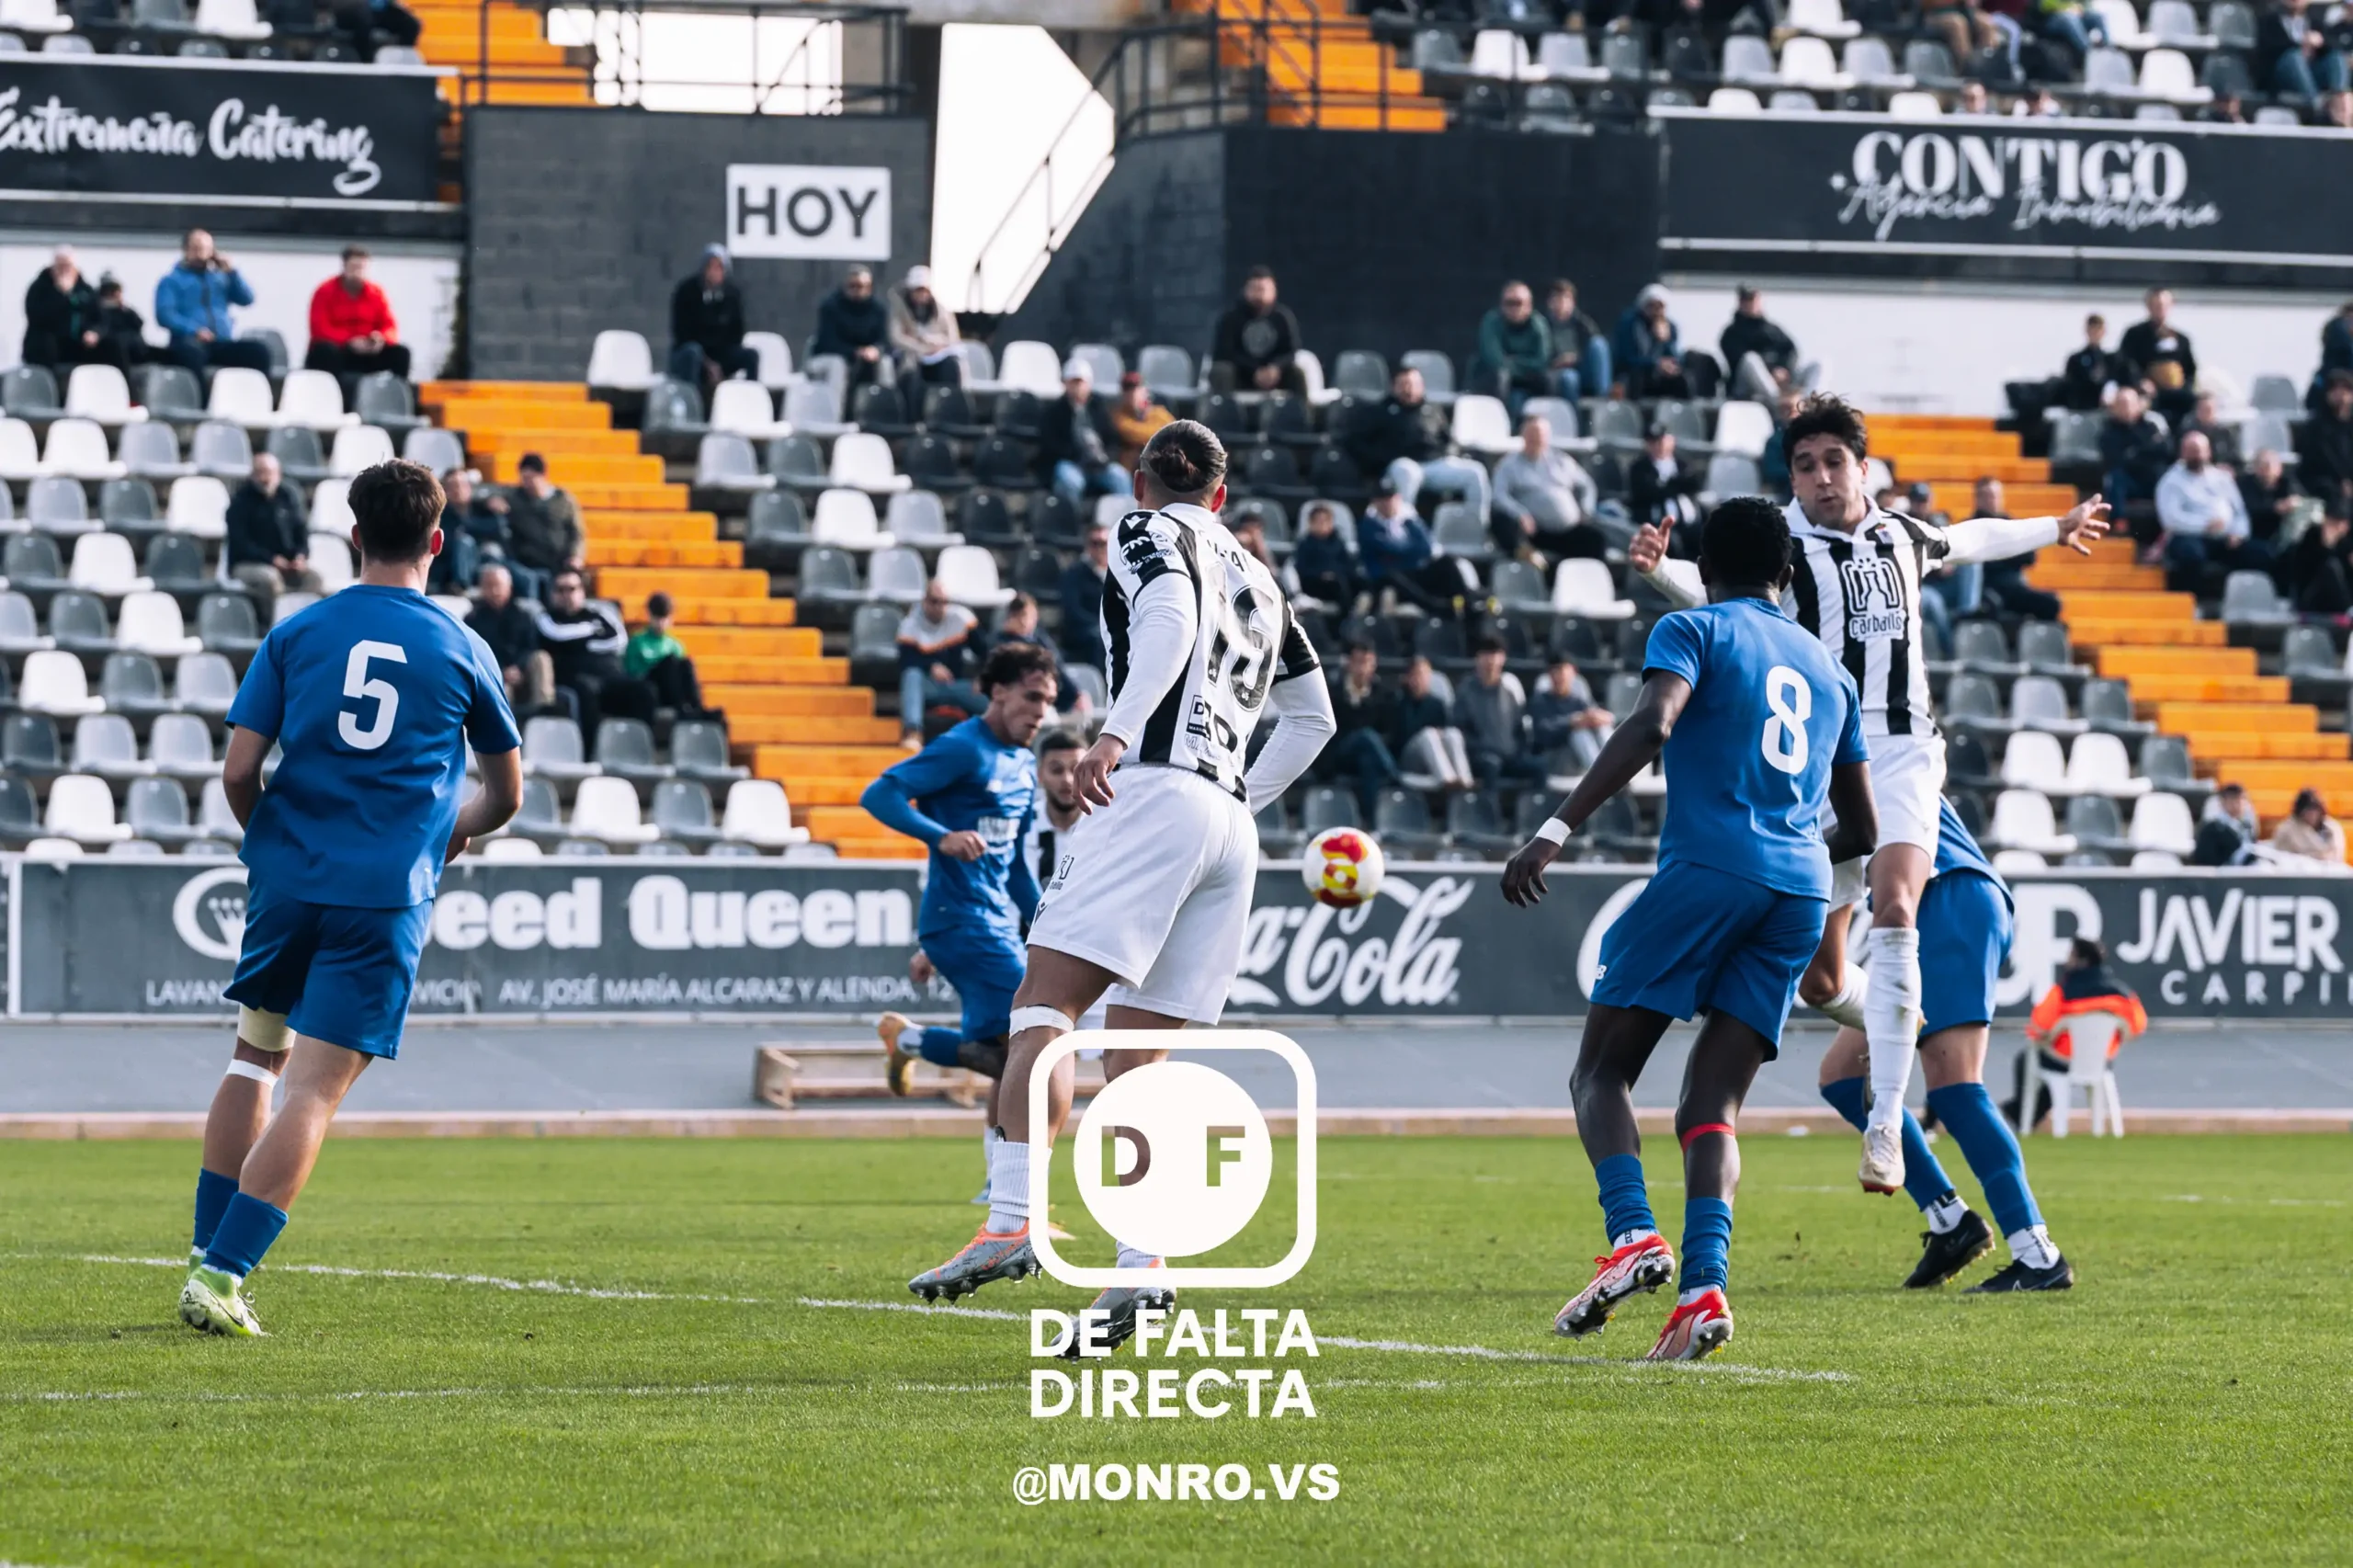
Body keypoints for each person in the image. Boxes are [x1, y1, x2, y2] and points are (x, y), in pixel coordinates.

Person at [907, 421, 1336, 1347]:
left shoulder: (1145, 530)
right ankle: (1141, 1263)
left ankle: (1012, 1218)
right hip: (1227, 823)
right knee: (1139, 1065)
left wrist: (1117, 734)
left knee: (1041, 1015)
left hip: (1153, 790)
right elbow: (1314, 718)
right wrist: (1236, 796)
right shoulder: (1263, 577)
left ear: (1141, 483)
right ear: (1223, 495)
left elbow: (1172, 622)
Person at [1630, 393, 2109, 1192]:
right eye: (1806, 466)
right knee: (1820, 981)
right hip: (1822, 761)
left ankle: (1886, 1122)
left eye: (1834, 462)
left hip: (1905, 751)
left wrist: (2054, 528)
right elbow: (1727, 604)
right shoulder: (1785, 551)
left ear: (1863, 466)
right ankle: (1895, 1018)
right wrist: (1659, 572)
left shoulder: (1902, 535)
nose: (1821, 478)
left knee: (1896, 907)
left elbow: (1976, 537)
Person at [1504, 496, 1877, 1362]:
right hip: (1799, 889)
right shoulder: (1831, 671)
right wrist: (1787, 851)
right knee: (1714, 1105)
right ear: (1786, 575)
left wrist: (1555, 828)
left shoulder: (1695, 629)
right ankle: (1704, 1289)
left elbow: (1653, 722)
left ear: (1704, 569)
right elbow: (1861, 827)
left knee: (1600, 1072)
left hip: (1709, 868)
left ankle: (1634, 1235)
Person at [177, 460, 523, 1337]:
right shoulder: (463, 647)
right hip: (382, 894)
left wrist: (271, 844)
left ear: (354, 534)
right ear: (438, 543)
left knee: (256, 1057)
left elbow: (239, 770)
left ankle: (201, 1252)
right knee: (317, 1093)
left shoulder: (299, 634)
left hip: (289, 879)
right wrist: (453, 833)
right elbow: (505, 794)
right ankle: (221, 1277)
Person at [1810, 798, 2075, 1292]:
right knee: (1843, 1075)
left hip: (1945, 896)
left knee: (1955, 1088)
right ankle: (1951, 1221)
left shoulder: (1826, 740)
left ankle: (2038, 1254)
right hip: (1933, 902)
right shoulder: (1832, 737)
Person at [865, 643, 1060, 1200]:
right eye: (1031, 697)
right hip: (960, 921)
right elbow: (879, 793)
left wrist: (1047, 922)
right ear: (997, 691)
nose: (1040, 712)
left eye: (1047, 702)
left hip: (995, 921)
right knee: (1034, 1049)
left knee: (1005, 1056)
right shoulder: (962, 747)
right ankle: (1012, 1192)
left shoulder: (1024, 764)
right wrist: (939, 836)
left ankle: (912, 1041)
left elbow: (1016, 866)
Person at [2006, 937, 2146, 1131]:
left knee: (2028, 1060)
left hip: (2061, 1060)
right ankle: (2018, 1114)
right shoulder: (2122, 994)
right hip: (2101, 1060)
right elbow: (2138, 1026)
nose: (2066, 961)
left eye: (2070, 956)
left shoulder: (2062, 992)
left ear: (2082, 960)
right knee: (2048, 1074)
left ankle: (2021, 1115)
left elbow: (2039, 1027)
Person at [1345, 364, 1494, 521]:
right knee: (1408, 472)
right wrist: (1379, 462)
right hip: (1401, 465)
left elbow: (1447, 439)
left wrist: (1449, 452)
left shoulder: (1432, 410)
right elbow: (1357, 442)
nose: (1409, 390)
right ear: (1394, 387)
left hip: (1435, 465)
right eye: (1403, 385)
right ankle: (1404, 528)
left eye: (1414, 385)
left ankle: (1476, 526)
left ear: (1421, 386)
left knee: (1475, 472)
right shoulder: (1381, 411)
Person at [536, 568, 654, 740]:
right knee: (587, 691)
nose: (566, 594)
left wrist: (583, 644)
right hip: (575, 678)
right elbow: (557, 634)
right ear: (552, 594)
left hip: (610, 676)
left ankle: (639, 746)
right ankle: (591, 753)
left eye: (572, 589)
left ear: (582, 591)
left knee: (645, 691)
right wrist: (591, 631)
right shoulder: (547, 618)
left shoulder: (600, 613)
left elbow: (619, 639)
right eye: (560, 590)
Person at [1493, 414, 1612, 563]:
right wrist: (1520, 514)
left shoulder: (1561, 460)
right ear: (1523, 436)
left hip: (1568, 530)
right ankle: (1526, 555)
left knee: (1596, 539)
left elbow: (1587, 485)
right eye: (1531, 435)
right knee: (1500, 520)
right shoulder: (1509, 465)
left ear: (1547, 437)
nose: (1535, 440)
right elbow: (1499, 495)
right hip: (1534, 531)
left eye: (1539, 435)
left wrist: (1585, 510)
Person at [1358, 478, 1479, 619]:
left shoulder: (1408, 521)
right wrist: (1410, 550)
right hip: (1387, 577)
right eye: (1382, 500)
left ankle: (1466, 601)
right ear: (1375, 502)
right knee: (1394, 576)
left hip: (1413, 570)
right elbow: (1391, 549)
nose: (1387, 503)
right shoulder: (1368, 526)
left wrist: (1405, 551)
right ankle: (1435, 607)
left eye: (1390, 498)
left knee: (1447, 562)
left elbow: (1427, 547)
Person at [155, 229, 271, 376]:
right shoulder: (171, 281)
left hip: (220, 342)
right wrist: (194, 330)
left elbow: (247, 299)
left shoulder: (220, 278)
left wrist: (232, 272)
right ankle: (202, 398)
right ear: (186, 250)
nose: (201, 254)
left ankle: (257, 396)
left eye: (206, 249)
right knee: (191, 354)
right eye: (196, 249)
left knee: (258, 352)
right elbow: (165, 315)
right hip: (189, 342)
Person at [2156, 431, 2267, 579]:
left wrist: (2239, 533)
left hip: (2226, 538)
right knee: (2191, 555)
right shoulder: (2171, 481)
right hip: (2189, 537)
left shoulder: (2223, 478)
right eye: (2192, 451)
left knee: (2262, 554)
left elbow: (2239, 511)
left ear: (2208, 452)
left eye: (2200, 450)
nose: (2197, 455)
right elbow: (2171, 519)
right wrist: (2205, 526)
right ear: (2182, 452)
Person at [224, 453, 324, 614]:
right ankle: (274, 623)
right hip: (248, 564)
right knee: (270, 579)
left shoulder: (288, 498)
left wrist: (300, 556)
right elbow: (241, 543)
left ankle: (305, 622)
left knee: (313, 578)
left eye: (270, 473)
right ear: (253, 475)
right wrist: (271, 559)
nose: (266, 478)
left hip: (287, 564)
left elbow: (301, 532)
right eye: (261, 472)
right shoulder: (240, 503)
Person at [897, 576, 988, 744]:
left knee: (991, 698)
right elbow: (905, 662)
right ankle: (913, 731)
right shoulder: (910, 624)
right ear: (925, 601)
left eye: (944, 602)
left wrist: (983, 677)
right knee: (911, 676)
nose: (940, 607)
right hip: (928, 687)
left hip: (956, 685)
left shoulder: (961, 618)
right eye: (934, 601)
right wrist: (930, 666)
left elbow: (985, 651)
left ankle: (995, 736)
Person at [305, 246, 411, 388]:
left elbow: (389, 326)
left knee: (401, 353)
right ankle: (333, 393)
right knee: (325, 351)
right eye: (354, 267)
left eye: (362, 268)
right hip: (340, 350)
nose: (358, 272)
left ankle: (397, 395)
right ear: (344, 266)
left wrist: (379, 338)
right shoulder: (324, 291)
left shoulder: (376, 293)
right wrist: (349, 341)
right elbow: (319, 329)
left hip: (368, 351)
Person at [1319, 641, 1402, 813]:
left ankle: (1370, 816)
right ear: (1349, 663)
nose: (1363, 668)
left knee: (1369, 761)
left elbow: (1389, 730)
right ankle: (1393, 774)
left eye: (1368, 663)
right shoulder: (1334, 692)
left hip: (1369, 753)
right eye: (1359, 662)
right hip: (1340, 752)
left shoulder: (1384, 694)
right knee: (1365, 735)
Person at [1036, 359, 1131, 506]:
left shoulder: (1099, 408)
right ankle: (1071, 522)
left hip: (1099, 465)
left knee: (1120, 477)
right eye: (1073, 383)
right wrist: (1078, 454)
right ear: (1065, 384)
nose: (1077, 387)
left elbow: (1113, 439)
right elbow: (1050, 445)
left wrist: (1106, 457)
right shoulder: (1054, 411)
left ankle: (1127, 523)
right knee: (1070, 480)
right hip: (1072, 462)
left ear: (1089, 384)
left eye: (1081, 382)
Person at [464, 562, 554, 714]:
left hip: (523, 671)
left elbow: (531, 647)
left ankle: (544, 712)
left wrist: (518, 668)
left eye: (498, 585)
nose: (494, 591)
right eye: (489, 585)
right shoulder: (473, 620)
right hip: (493, 677)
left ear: (509, 587)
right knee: (501, 689)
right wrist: (501, 671)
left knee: (541, 658)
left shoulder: (524, 615)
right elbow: (474, 655)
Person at [667, 244, 755, 392]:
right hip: (691, 355)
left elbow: (737, 333)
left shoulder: (732, 295)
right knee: (692, 352)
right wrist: (708, 363)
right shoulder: (686, 291)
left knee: (751, 356)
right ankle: (694, 404)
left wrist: (720, 363)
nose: (714, 272)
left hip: (720, 356)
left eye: (719, 267)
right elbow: (682, 335)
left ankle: (751, 400)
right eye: (710, 266)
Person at [1208, 266, 1306, 396]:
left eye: (1263, 290)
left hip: (1275, 376)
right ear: (1246, 290)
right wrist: (1253, 371)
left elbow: (1291, 351)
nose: (1259, 295)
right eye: (1255, 289)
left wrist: (1275, 368)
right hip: (1241, 376)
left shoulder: (1283, 318)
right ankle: (1222, 414)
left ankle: (1302, 415)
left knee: (1297, 374)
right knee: (1221, 371)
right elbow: (1224, 353)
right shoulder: (1230, 319)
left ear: (1273, 291)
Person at [1457, 635, 1540, 785]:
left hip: (1510, 756)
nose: (1491, 660)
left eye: (1495, 655)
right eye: (1486, 655)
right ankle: (1489, 807)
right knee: (1491, 765)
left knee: (1539, 767)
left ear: (1502, 658)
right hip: (1481, 757)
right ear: (1478, 658)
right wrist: (1482, 748)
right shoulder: (1466, 691)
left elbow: (1519, 727)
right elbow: (1461, 731)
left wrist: (1518, 751)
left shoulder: (1509, 691)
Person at [885, 265, 962, 416]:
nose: (921, 295)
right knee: (912, 376)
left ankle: (948, 414)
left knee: (950, 368)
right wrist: (920, 347)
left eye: (924, 290)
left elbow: (953, 338)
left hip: (938, 357)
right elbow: (896, 337)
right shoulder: (900, 309)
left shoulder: (941, 310)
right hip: (912, 356)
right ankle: (914, 418)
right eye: (917, 290)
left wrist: (938, 343)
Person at [2099, 385, 2174, 541]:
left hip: (2151, 477)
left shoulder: (2150, 425)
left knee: (2166, 476)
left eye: (2129, 403)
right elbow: (2114, 459)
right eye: (2121, 404)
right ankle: (2119, 521)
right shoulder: (2108, 431)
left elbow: (2164, 451)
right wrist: (2142, 453)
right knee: (2116, 477)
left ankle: (2167, 526)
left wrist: (2134, 454)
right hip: (2128, 481)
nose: (2126, 408)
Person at [1391, 653, 1474, 788]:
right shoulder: (1400, 701)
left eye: (1425, 675)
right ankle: (1448, 781)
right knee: (1428, 734)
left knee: (1453, 734)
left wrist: (1439, 734)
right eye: (1416, 674)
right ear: (1408, 677)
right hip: (1409, 759)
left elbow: (1445, 729)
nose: (1420, 679)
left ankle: (1465, 782)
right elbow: (1402, 736)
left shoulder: (1437, 704)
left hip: (1434, 758)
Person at [1472, 280, 1554, 417]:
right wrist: (1526, 364)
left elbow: (1542, 362)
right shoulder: (1491, 322)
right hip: (1494, 386)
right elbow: (1496, 361)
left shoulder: (1538, 325)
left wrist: (1512, 362)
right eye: (1509, 303)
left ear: (1529, 306)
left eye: (1518, 303)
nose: (1514, 308)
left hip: (1530, 385)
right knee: (1503, 379)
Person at [1719, 284, 1815, 402]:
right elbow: (1739, 361)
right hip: (1748, 387)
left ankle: (1808, 403)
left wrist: (1784, 368)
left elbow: (1791, 350)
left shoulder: (1772, 329)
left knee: (1819, 364)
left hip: (1781, 379)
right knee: (1750, 359)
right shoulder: (1731, 333)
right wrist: (1771, 371)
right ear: (1740, 302)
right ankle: (1777, 402)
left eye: (1753, 299)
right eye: (1746, 300)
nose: (1750, 303)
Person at [427, 466, 512, 597]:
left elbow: (498, 528)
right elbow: (446, 543)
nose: (458, 490)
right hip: (451, 569)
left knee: (492, 550)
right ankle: (462, 587)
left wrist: (467, 526)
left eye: (462, 485)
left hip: (484, 561)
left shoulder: (482, 508)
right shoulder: (441, 516)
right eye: (453, 486)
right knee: (464, 542)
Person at [622, 591, 709, 715]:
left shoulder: (675, 645)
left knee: (687, 663)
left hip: (672, 691)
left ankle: (696, 707)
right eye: (657, 618)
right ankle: (680, 706)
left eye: (664, 618)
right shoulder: (638, 642)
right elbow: (632, 673)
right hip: (650, 690)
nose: (661, 624)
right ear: (649, 616)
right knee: (669, 662)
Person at [2120, 287, 2198, 423]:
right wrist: (2140, 382)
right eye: (2156, 305)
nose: (2160, 309)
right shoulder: (2134, 335)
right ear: (2148, 306)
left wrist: (2184, 386)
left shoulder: (2181, 339)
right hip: (2148, 395)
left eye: (2163, 305)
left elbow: (2190, 369)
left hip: (2176, 396)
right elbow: (2125, 363)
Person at [1611, 284, 1702, 401]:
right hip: (1635, 372)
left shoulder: (1670, 326)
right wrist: (1655, 363)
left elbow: (1675, 357)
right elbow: (1627, 358)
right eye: (1652, 306)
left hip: (1660, 374)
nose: (1656, 312)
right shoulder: (1630, 324)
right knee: (1636, 378)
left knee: (1683, 379)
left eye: (1660, 307)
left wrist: (1665, 341)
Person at [503, 454, 585, 582]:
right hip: (528, 562)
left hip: (559, 561)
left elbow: (576, 533)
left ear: (542, 476)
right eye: (524, 478)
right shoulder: (516, 499)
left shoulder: (563, 500)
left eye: (531, 478)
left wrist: (576, 556)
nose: (527, 483)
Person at [1526, 656, 1613, 773]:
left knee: (1602, 728)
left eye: (1563, 673)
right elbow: (1543, 733)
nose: (1559, 677)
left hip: (1578, 759)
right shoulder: (1540, 701)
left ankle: (1618, 771)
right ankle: (1599, 776)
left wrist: (1598, 718)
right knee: (1579, 733)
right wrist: (1572, 722)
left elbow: (1598, 716)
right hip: (1554, 756)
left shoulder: (1577, 701)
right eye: (1555, 673)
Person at [813, 265, 892, 393]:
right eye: (852, 285)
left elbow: (885, 340)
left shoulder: (878, 309)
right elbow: (827, 343)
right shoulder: (830, 306)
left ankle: (882, 407)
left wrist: (876, 350)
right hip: (833, 357)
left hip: (868, 358)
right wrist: (855, 351)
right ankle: (836, 411)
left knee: (885, 363)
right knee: (838, 366)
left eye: (861, 286)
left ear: (869, 287)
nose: (856, 290)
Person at [22, 245, 98, 371]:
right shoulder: (39, 288)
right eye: (61, 266)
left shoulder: (85, 289)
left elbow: (99, 316)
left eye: (68, 266)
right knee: (46, 344)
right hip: (48, 342)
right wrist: (61, 295)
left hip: (78, 341)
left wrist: (95, 332)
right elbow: (38, 317)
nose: (65, 271)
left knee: (112, 345)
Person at [1629, 423, 1705, 542]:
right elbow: (1647, 493)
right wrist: (1673, 486)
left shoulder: (1683, 464)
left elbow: (1693, 485)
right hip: (1658, 524)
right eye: (1653, 441)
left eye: (1662, 439)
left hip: (1689, 521)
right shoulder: (1640, 468)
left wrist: (1672, 485)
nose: (1659, 445)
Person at [2259, 0, 2347, 99]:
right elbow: (2269, 51)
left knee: (2336, 57)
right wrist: (2302, 44)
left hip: (2311, 70)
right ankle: (2314, 102)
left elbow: (2334, 44)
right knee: (2293, 57)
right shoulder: (2269, 20)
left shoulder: (2314, 20)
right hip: (2282, 74)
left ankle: (2340, 99)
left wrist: (2320, 41)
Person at [1542, 278, 1611, 403]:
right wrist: (1557, 361)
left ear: (1573, 302)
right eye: (1557, 298)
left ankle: (1603, 402)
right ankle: (1574, 420)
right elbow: (1542, 357)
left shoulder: (1583, 323)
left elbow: (1594, 354)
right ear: (1549, 302)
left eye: (1566, 299)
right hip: (1557, 372)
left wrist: (1576, 358)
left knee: (1599, 344)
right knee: (1569, 378)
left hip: (1582, 367)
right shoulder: (1543, 325)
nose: (1561, 303)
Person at [2296, 372, 2353, 517]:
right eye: (2335, 390)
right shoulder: (2315, 427)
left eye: (2346, 390)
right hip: (2324, 486)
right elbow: (2310, 466)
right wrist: (2339, 485)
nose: (2340, 395)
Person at [1290, 499, 1358, 611]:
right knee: (1339, 586)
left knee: (1354, 582)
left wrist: (1335, 573)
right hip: (1315, 583)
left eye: (1325, 521)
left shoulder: (1338, 543)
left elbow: (1348, 565)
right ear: (1310, 523)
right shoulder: (1305, 544)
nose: (1322, 525)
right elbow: (1302, 569)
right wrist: (1322, 575)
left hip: (1338, 579)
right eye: (1318, 521)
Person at [1057, 523, 1109, 668]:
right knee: (1100, 639)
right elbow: (1073, 610)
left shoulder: (1119, 573)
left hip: (1110, 626)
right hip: (1085, 630)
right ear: (1087, 546)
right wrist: (1102, 625)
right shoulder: (1074, 574)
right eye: (1095, 543)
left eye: (1104, 543)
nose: (1100, 548)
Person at [2285, 506, 2353, 615]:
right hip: (2312, 597)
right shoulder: (2312, 536)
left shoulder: (2346, 543)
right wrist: (2327, 544)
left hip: (2337, 600)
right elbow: (2305, 569)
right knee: (2331, 568)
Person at [1108, 371, 1174, 472]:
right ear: (1123, 394)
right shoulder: (1119, 415)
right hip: (1130, 469)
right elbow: (1131, 432)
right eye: (1128, 391)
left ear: (1145, 391)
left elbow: (1175, 431)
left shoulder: (1158, 412)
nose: (1133, 394)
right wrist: (1160, 433)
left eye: (1137, 389)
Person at [2061, 313, 2124, 411]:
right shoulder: (2076, 360)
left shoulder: (2111, 360)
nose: (2095, 333)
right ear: (2087, 331)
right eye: (2092, 329)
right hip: (2082, 409)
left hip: (2106, 411)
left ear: (2103, 332)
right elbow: (2070, 386)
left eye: (2098, 329)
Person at [89, 275, 150, 371]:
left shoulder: (124, 311)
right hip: (114, 348)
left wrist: (123, 308)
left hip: (134, 348)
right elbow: (102, 327)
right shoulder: (97, 309)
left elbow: (139, 323)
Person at [2270, 787, 2347, 862]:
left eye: (2315, 809)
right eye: (2307, 810)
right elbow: (2282, 858)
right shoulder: (2286, 830)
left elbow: (2338, 857)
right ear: (2300, 812)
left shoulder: (2333, 829)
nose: (2311, 814)